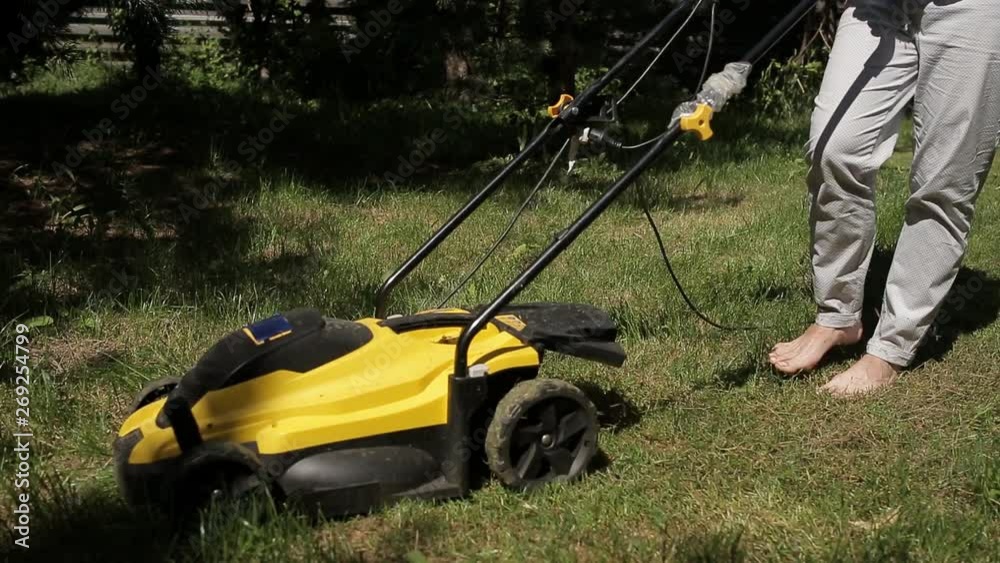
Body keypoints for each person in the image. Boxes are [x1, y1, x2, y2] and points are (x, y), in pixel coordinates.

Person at [768, 0, 1000, 396]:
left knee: (942, 184)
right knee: (834, 150)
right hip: (877, 7)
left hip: (970, 9)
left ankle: (891, 347)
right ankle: (838, 315)